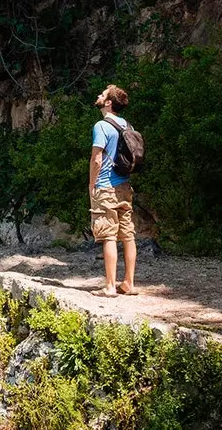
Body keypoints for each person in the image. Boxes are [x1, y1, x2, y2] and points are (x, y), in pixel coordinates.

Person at [89, 84, 136, 297]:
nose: (99, 96)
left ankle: (109, 287)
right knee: (127, 235)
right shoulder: (126, 124)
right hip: (125, 186)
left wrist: (92, 184)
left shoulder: (101, 126)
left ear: (108, 102)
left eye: (102, 94)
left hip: (106, 186)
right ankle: (128, 283)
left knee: (108, 235)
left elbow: (97, 158)